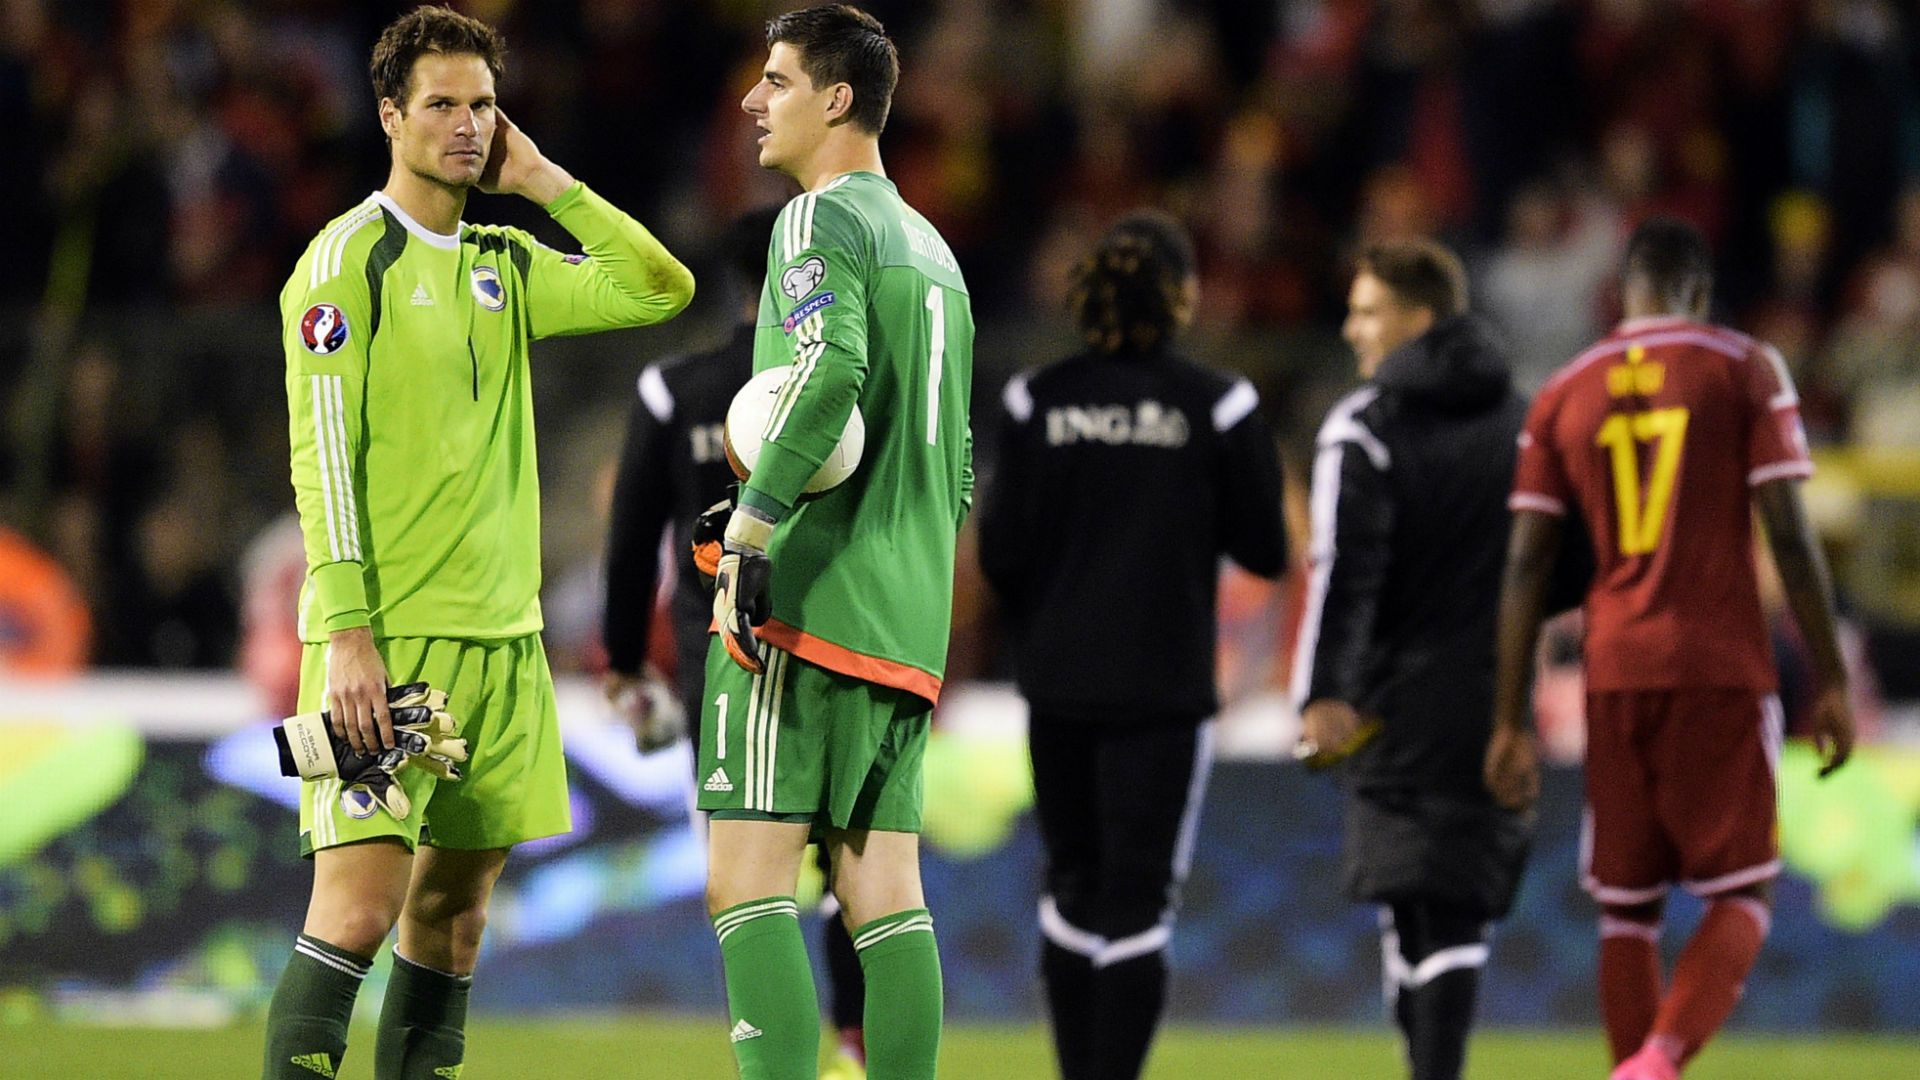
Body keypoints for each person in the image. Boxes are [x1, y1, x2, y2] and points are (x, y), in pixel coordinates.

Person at [265, 8, 693, 1079]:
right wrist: (347, 633)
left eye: (484, 106)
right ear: (389, 116)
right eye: (442, 104)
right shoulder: (345, 264)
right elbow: (322, 457)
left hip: (506, 643)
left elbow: (659, 287)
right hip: (387, 645)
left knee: (453, 921)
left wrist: (544, 182)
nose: (466, 125)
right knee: (356, 912)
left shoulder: (506, 259)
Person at [1486, 217, 1854, 1080]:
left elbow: (1525, 565)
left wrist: (1508, 719)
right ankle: (1656, 1063)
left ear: (1623, 293)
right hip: (1719, 662)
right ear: (1699, 290)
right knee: (1744, 890)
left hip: (1613, 669)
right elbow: (1789, 534)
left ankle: (1637, 1067)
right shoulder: (1742, 366)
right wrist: (1832, 677)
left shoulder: (1561, 391)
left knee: (1627, 907)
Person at [703, 7, 973, 1079]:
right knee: (883, 891)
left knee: (747, 879)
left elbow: (828, 371)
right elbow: (955, 463)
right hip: (906, 614)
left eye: (776, 80)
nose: (753, 101)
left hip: (808, 604)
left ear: (837, 98)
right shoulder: (936, 251)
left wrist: (755, 523)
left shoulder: (816, 219)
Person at [979, 211, 1287, 1080]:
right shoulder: (1219, 404)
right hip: (1165, 688)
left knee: (1072, 881)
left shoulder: (1035, 399)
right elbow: (1266, 548)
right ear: (1183, 296)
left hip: (1059, 683)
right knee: (1138, 897)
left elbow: (999, 554)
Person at [600, 206, 870, 1077]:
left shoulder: (673, 390)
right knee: (854, 873)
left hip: (719, 664)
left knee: (748, 888)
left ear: (732, 282)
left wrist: (625, 660)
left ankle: (772, 1058)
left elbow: (631, 540)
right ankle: (856, 1048)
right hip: (838, 650)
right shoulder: (847, 383)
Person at [1291, 240, 1536, 1080]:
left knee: (1417, 909)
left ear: (1419, 319)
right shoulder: (1526, 423)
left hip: (1391, 702)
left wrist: (1322, 690)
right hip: (1498, 699)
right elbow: (1563, 560)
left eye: (1367, 312)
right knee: (1454, 911)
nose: (1351, 329)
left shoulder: (1365, 428)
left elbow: (1341, 572)